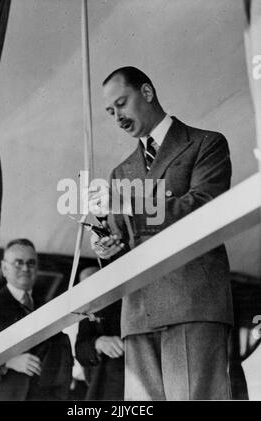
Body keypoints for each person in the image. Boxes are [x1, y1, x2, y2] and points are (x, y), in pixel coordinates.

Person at [88, 66, 233, 400]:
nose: (117, 117)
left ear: (148, 93)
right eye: (110, 112)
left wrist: (131, 205)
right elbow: (123, 239)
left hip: (192, 303)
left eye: (121, 104)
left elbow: (204, 206)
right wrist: (107, 247)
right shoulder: (120, 172)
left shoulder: (205, 144)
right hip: (138, 313)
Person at [0, 238, 73, 401]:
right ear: (4, 268)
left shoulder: (46, 306)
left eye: (31, 263)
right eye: (18, 263)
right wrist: (8, 362)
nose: (25, 268)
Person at [75, 267, 124, 400]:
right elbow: (81, 350)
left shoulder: (122, 299)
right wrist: (98, 342)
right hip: (110, 386)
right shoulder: (89, 312)